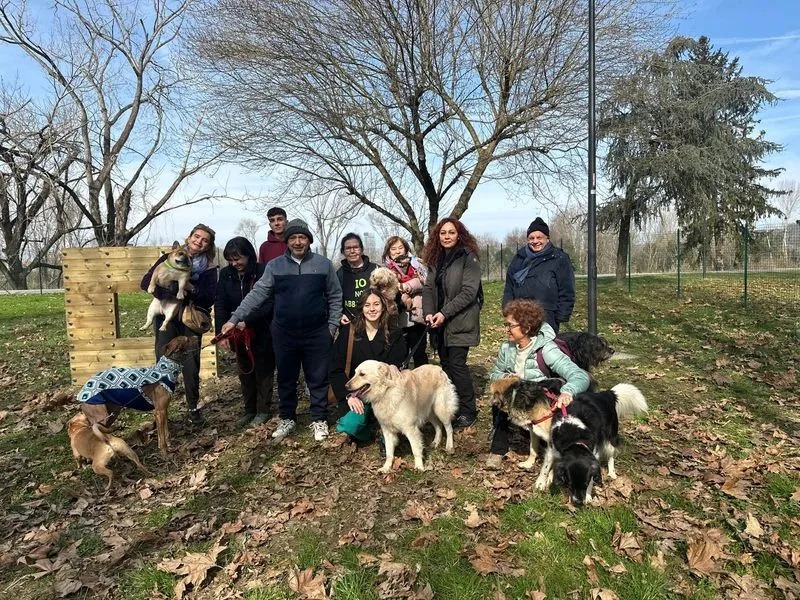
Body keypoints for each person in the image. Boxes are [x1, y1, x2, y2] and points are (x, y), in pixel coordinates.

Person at [220, 219, 342, 442]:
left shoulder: (323, 265)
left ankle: (319, 418)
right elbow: (257, 294)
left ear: (308, 240)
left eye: (302, 237)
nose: (297, 242)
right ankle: (288, 417)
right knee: (286, 377)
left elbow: (335, 296)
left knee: (317, 378)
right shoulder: (274, 266)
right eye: (293, 238)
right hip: (284, 333)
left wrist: (331, 327)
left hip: (317, 333)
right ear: (287, 241)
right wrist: (235, 318)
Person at [486, 299, 590, 469]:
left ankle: (555, 453)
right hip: (516, 402)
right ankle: (498, 450)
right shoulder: (506, 348)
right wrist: (505, 377)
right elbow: (494, 374)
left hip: (540, 403)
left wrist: (567, 392)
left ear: (526, 328)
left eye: (511, 325)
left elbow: (580, 376)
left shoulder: (547, 349)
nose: (507, 329)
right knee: (499, 401)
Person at [141, 224, 219, 426]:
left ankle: (193, 409)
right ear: (190, 236)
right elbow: (146, 282)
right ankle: (161, 411)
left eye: (204, 240)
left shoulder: (209, 268)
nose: (199, 241)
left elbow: (210, 296)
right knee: (164, 360)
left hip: (190, 319)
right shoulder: (169, 256)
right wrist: (169, 293)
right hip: (167, 318)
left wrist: (190, 289)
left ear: (208, 246)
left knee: (191, 365)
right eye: (196, 236)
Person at [422, 218, 482, 429]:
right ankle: (450, 408)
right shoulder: (435, 259)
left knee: (457, 365)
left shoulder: (468, 258)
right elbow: (428, 289)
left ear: (459, 235)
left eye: (451, 232)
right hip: (439, 323)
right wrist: (429, 313)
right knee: (446, 366)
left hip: (459, 320)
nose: (447, 236)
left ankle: (468, 410)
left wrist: (444, 313)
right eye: (443, 233)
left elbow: (469, 292)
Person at [214, 237, 274, 428]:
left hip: (262, 329)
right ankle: (249, 410)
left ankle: (263, 410)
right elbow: (221, 304)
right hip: (235, 332)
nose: (235, 263)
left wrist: (247, 320)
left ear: (248, 255)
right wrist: (221, 333)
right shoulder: (225, 274)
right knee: (244, 371)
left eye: (238, 258)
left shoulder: (262, 272)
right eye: (231, 260)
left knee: (263, 371)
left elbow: (269, 303)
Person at [329, 290, 407, 423]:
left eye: (376, 304)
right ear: (361, 308)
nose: (372, 309)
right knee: (351, 425)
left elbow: (398, 358)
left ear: (383, 307)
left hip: (385, 396)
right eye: (367, 305)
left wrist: (394, 366)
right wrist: (349, 396)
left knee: (394, 427)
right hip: (356, 394)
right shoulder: (349, 332)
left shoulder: (394, 333)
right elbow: (335, 369)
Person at [503, 217, 575, 333]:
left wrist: (561, 316)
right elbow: (509, 288)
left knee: (544, 350)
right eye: (531, 238)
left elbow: (567, 290)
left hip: (548, 317)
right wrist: (508, 310)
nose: (535, 241)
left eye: (539, 237)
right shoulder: (519, 258)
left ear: (547, 238)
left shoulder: (559, 258)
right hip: (520, 316)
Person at [383, 236, 428, 367]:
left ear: (406, 249)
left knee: (419, 352)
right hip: (398, 318)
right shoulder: (386, 270)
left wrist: (405, 287)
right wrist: (403, 296)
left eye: (400, 248)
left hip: (417, 317)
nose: (397, 251)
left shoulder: (417, 264)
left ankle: (422, 383)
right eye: (393, 248)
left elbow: (425, 282)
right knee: (400, 354)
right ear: (388, 252)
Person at [337, 232, 378, 324]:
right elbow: (333, 299)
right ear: (343, 252)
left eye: (355, 247)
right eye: (348, 248)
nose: (352, 251)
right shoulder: (339, 274)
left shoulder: (376, 270)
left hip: (376, 323)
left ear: (362, 249)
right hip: (350, 324)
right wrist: (339, 315)